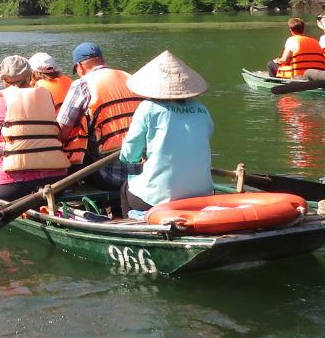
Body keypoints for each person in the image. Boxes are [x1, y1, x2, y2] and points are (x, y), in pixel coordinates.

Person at [118, 50, 215, 215]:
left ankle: (129, 224)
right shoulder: (201, 109)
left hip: (158, 197)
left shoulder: (148, 108)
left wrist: (136, 157)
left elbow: (129, 155)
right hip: (203, 193)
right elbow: (207, 133)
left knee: (125, 189)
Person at [0, 55, 71, 201]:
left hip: (11, 189)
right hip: (56, 183)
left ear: (3, 79)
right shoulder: (46, 98)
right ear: (30, 76)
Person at [56, 42, 142, 191]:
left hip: (107, 175)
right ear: (102, 59)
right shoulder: (131, 78)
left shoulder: (83, 84)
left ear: (80, 66)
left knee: (74, 147)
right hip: (141, 172)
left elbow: (61, 132)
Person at [31, 52, 85, 165]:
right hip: (80, 140)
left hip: (57, 141)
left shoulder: (37, 89)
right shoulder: (69, 81)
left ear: (33, 73)